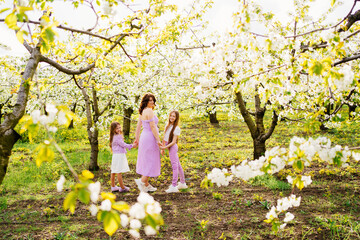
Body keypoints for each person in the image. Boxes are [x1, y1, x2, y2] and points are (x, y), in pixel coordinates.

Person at [134, 93, 162, 192]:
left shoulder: (142, 111)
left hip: (144, 137)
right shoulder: (149, 111)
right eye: (150, 100)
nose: (152, 102)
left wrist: (137, 138)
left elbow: (138, 126)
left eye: (153, 100)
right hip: (150, 138)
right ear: (146, 101)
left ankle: (146, 184)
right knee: (150, 160)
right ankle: (141, 182)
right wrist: (158, 140)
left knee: (147, 160)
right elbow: (153, 127)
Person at [160, 110, 187, 193]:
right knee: (178, 165)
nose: (171, 117)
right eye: (171, 115)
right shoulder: (167, 126)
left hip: (172, 147)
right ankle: (182, 183)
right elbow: (164, 138)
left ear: (176, 118)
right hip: (168, 146)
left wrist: (165, 147)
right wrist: (162, 148)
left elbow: (173, 142)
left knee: (175, 166)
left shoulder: (176, 128)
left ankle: (174, 185)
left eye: (173, 116)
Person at [109, 122, 136, 192]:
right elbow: (122, 144)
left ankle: (113, 186)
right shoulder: (118, 136)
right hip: (119, 155)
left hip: (115, 155)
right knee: (119, 171)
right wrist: (132, 145)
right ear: (113, 129)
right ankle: (122, 187)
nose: (119, 129)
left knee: (114, 170)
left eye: (119, 127)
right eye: (117, 128)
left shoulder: (113, 136)